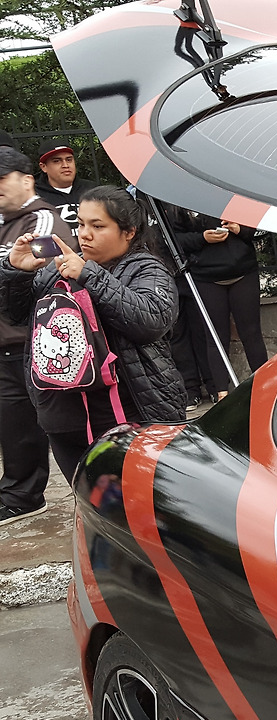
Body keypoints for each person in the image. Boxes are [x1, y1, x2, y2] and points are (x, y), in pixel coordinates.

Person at [0, 185, 184, 483]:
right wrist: (16, 272)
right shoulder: (58, 267)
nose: (84, 234)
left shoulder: (146, 268)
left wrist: (89, 274)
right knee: (89, 498)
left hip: (128, 413)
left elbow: (151, 321)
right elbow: (17, 315)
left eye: (98, 226)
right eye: (81, 224)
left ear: (129, 232)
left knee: (137, 497)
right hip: (63, 417)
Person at [0, 148, 73, 518]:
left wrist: (10, 266)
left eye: (2, 178)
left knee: (51, 427)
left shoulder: (43, 219)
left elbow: (39, 269)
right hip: (5, 343)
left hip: (32, 341)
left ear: (27, 180)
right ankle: (17, 494)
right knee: (12, 426)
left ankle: (26, 496)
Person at [167, 207, 268, 399]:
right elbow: (172, 240)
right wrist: (203, 238)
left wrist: (240, 229)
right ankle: (222, 394)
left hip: (243, 271)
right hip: (206, 276)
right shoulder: (180, 202)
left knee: (251, 333)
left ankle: (264, 386)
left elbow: (261, 229)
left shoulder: (233, 195)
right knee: (215, 337)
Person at [33, 140, 96, 241]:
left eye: (69, 159)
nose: (65, 165)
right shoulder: (35, 195)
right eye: (57, 161)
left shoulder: (92, 190)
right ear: (44, 167)